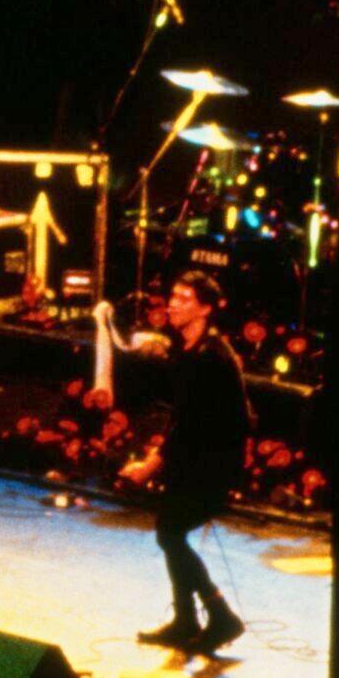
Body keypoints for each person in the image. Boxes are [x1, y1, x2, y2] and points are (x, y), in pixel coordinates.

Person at [93, 271, 251, 653]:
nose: (173, 304)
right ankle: (187, 620)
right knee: (170, 532)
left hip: (213, 462)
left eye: (184, 299)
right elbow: (182, 418)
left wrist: (151, 465)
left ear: (205, 309)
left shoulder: (211, 357)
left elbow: (195, 424)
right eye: (173, 296)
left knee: (170, 532)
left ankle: (220, 617)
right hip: (194, 457)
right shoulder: (188, 350)